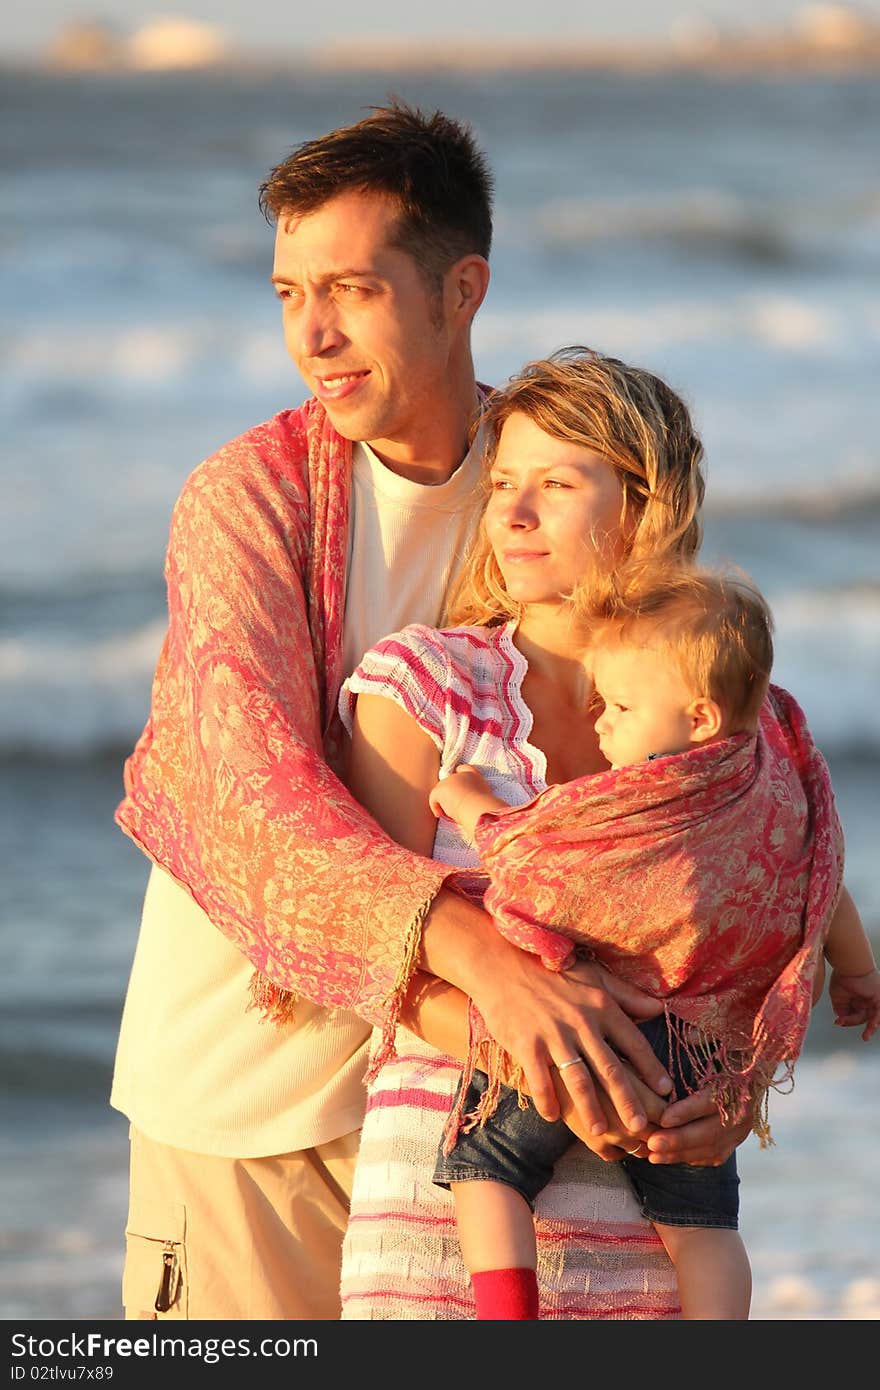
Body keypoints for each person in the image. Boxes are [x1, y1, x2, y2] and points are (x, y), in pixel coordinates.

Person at [109, 104, 741, 1322]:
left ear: (462, 288)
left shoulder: (556, 488)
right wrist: (481, 970)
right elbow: (254, 794)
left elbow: (691, 782)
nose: (314, 333)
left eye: (350, 288)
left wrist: (714, 1061)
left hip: (505, 1127)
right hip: (262, 1116)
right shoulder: (249, 502)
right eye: (290, 292)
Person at [338, 347, 757, 1319]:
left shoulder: (716, 713)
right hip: (452, 1204)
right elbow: (360, 942)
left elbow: (768, 926)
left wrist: (732, 1090)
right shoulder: (426, 684)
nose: (514, 516)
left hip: (657, 1222)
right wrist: (525, 1025)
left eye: (557, 485)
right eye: (504, 486)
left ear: (645, 508)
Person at [427, 559, 880, 1319]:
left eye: (623, 707)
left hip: (603, 1036)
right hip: (705, 1061)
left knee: (489, 1169)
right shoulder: (775, 789)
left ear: (698, 719)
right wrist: (859, 975)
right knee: (702, 1230)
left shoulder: (642, 803)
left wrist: (470, 803)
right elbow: (821, 883)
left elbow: (540, 865)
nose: (602, 722)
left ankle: (507, 1319)